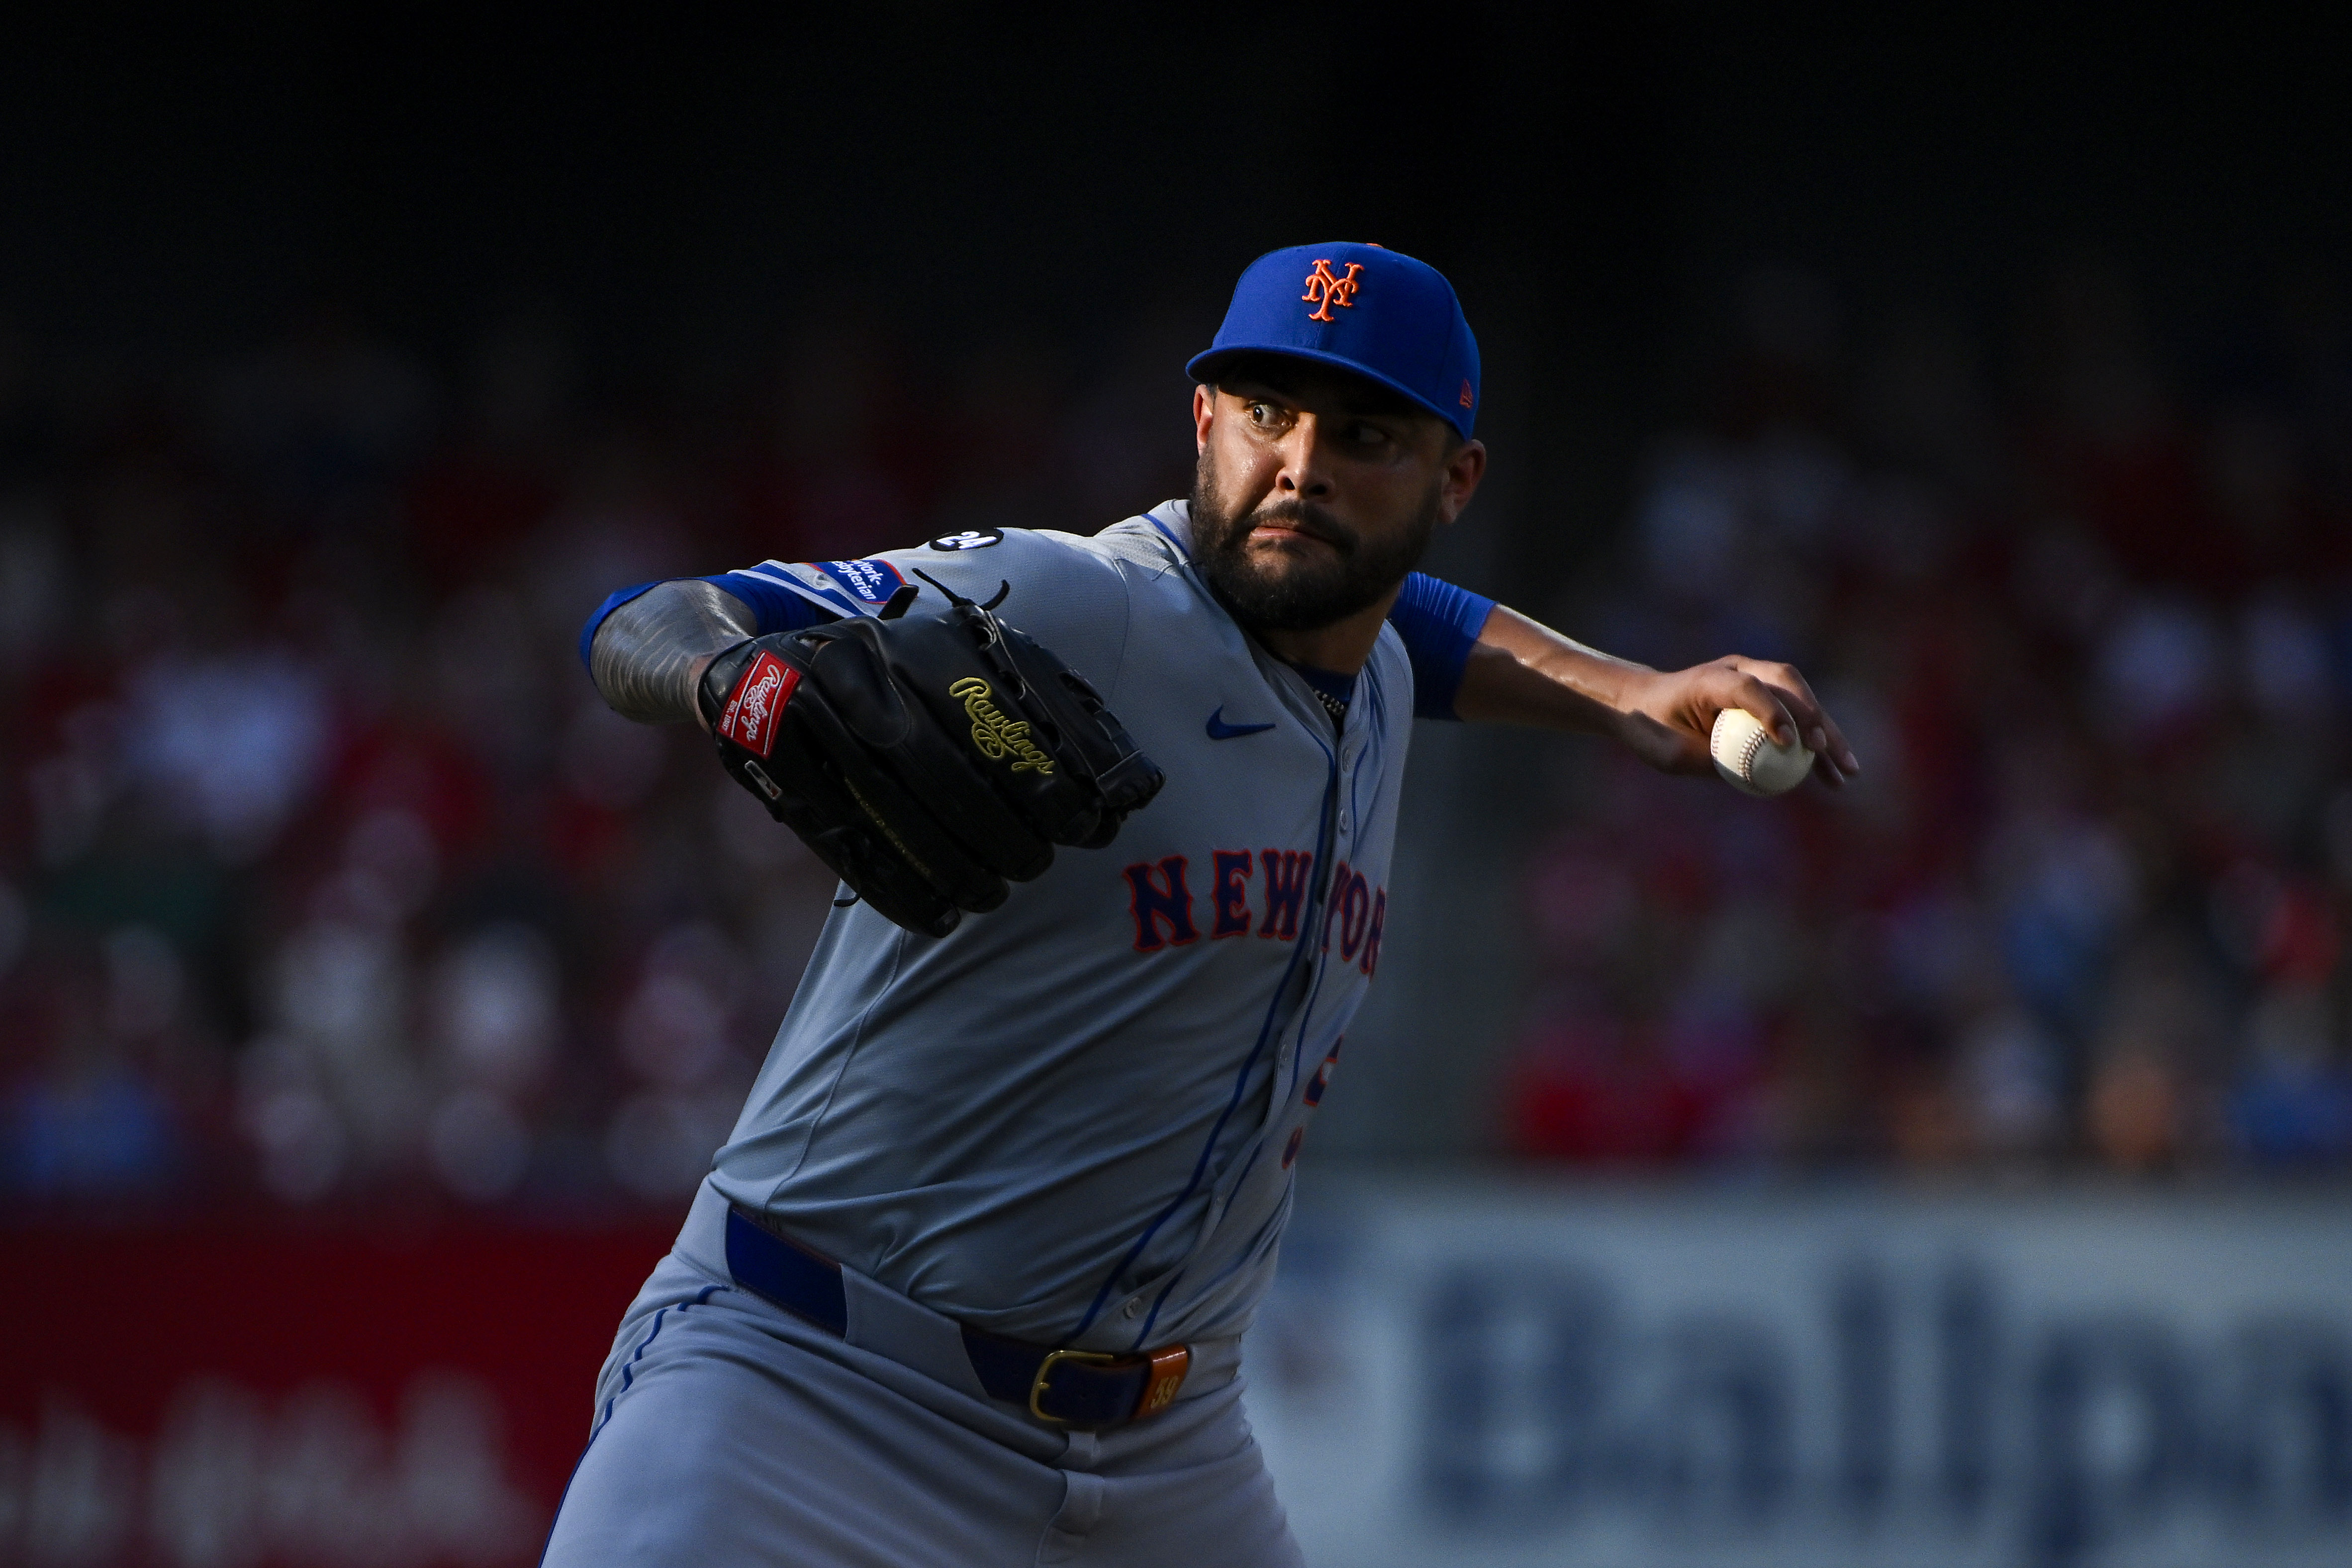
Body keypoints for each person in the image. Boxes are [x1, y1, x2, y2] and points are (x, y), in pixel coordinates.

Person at [544, 242, 1857, 1567]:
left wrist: (1624, 691)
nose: (1299, 465)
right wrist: (751, 685)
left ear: (1455, 479)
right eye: (1264, 413)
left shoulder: (1376, 651)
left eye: (1364, 435)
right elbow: (644, 619)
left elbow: (1415, 622)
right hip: (816, 1396)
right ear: (1202, 420)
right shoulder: (1084, 603)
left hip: (1165, 1460)